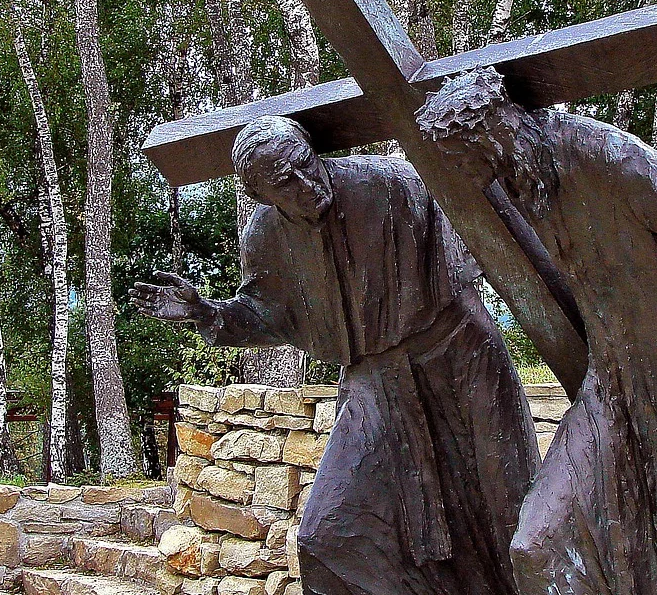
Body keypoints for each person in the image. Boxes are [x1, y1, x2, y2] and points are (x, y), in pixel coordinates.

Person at [415, 61, 657, 595]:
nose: (463, 173)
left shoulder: (600, 153)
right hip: (614, 387)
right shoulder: (521, 185)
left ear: (495, 134)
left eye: (463, 158)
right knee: (535, 545)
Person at [130, 115, 537, 595]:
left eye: (305, 165)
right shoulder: (266, 237)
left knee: (508, 505)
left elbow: (483, 238)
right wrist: (206, 312)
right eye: (286, 182)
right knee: (326, 536)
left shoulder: (390, 183)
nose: (306, 184)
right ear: (260, 195)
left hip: (460, 354)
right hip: (376, 380)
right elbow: (266, 313)